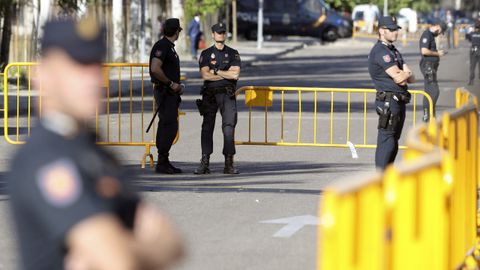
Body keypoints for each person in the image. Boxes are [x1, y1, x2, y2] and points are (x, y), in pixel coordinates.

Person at [8, 17, 183, 270]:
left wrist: (116, 247)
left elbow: (172, 244)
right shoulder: (43, 157)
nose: (91, 79)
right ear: (43, 76)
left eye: (94, 65)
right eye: (76, 67)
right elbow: (117, 262)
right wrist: (135, 244)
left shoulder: (94, 152)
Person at [368, 16, 415, 170]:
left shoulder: (393, 50)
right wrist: (405, 73)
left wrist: (405, 74)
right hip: (389, 101)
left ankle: (387, 176)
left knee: (394, 140)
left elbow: (411, 78)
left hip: (398, 101)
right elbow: (400, 78)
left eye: (396, 29)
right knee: (387, 140)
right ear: (382, 31)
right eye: (392, 30)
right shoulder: (381, 51)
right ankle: (380, 178)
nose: (396, 33)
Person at [195, 23, 241, 175]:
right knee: (207, 127)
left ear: (225, 34)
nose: (221, 35)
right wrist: (225, 73)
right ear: (213, 34)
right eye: (218, 32)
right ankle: (204, 162)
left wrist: (216, 70)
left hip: (227, 95)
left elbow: (235, 75)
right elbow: (205, 75)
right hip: (210, 95)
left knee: (229, 128)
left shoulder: (233, 53)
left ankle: (229, 163)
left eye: (223, 32)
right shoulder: (206, 54)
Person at [149, 18, 184, 174]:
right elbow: (155, 69)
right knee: (168, 126)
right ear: (176, 31)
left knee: (169, 125)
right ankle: (162, 162)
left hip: (169, 93)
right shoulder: (162, 46)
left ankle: (164, 160)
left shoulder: (168, 46)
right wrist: (171, 84)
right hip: (165, 92)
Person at [419, 19, 446, 122]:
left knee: (429, 90)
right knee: (434, 90)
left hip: (431, 66)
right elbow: (424, 51)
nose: (440, 34)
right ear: (438, 27)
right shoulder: (427, 34)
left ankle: (429, 114)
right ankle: (428, 114)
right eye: (440, 32)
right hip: (428, 66)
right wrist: (437, 53)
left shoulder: (431, 35)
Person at [468, 21, 480, 85]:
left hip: (473, 50)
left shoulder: (472, 33)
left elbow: (468, 38)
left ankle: (471, 80)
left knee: (472, 66)